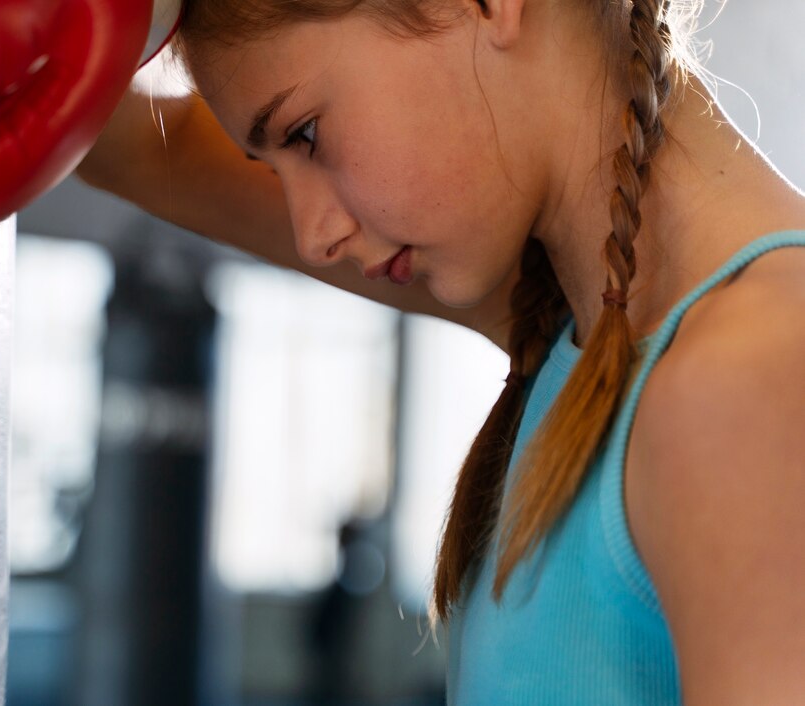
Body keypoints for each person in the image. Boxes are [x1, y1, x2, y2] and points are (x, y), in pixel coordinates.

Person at [75, 1, 805, 703]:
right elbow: (126, 141)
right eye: (276, 167)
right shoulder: (575, 319)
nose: (311, 236)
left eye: (304, 136)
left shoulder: (748, 378)